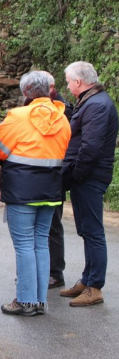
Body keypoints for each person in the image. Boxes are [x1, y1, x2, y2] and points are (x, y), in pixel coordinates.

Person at [0, 72, 71, 316]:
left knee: (25, 245)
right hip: (51, 190)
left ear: (26, 93)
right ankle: (38, 301)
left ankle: (26, 300)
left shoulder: (17, 116)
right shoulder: (63, 118)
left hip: (21, 190)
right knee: (41, 244)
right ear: (50, 91)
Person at [59, 61, 118, 307]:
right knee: (86, 229)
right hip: (86, 175)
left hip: (89, 176)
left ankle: (95, 287)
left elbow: (90, 147)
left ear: (79, 82)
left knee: (93, 231)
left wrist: (76, 174)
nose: (68, 85)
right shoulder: (91, 102)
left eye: (69, 81)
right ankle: (87, 279)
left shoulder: (97, 105)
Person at [31, 71, 73, 290]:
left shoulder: (63, 111)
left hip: (54, 176)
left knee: (52, 227)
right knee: (38, 228)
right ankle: (38, 271)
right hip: (39, 177)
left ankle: (55, 272)